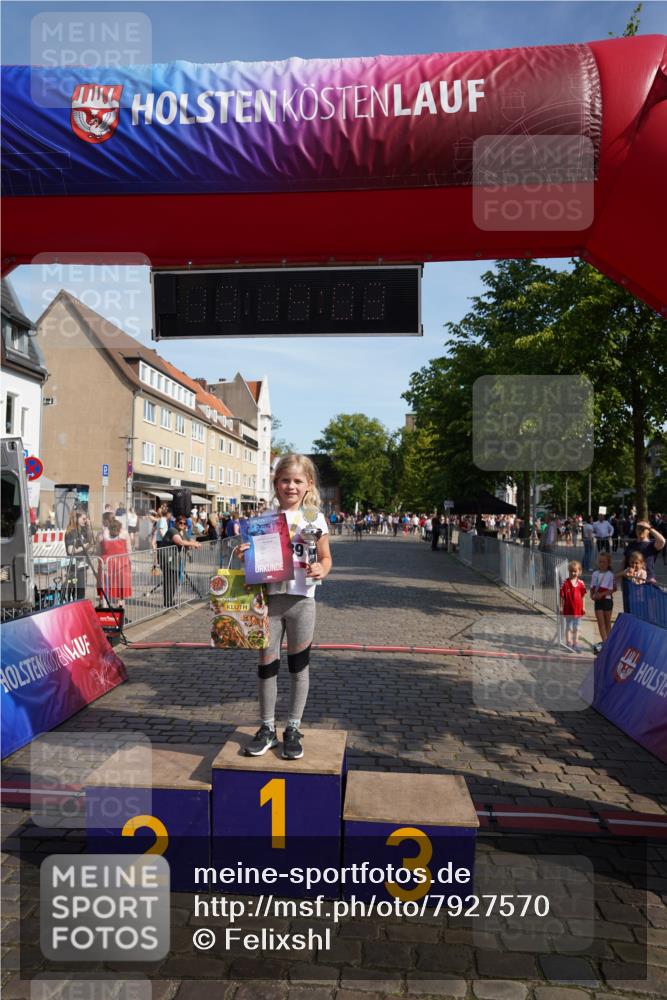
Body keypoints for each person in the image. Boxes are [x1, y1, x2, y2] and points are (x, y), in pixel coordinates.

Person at [238, 454, 332, 761]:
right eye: (284, 480)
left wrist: (323, 569)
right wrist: (245, 553)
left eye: (297, 481)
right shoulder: (265, 518)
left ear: (309, 485)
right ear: (275, 483)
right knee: (267, 667)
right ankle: (267, 728)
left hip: (302, 602)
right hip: (270, 602)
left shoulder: (314, 518)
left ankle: (293, 727)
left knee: (298, 666)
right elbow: (255, 557)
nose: (290, 486)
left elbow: (326, 557)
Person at [156, 514, 201, 608]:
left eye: (184, 523)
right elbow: (179, 542)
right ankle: (167, 602)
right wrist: (193, 544)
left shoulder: (182, 531)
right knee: (169, 580)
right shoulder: (172, 530)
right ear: (176, 523)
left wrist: (195, 543)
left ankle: (170, 601)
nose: (182, 525)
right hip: (167, 559)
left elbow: (189, 539)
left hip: (175, 560)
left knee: (175, 580)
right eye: (180, 523)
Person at [97, 517, 132, 606]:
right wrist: (130, 561)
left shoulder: (101, 535)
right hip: (122, 563)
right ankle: (120, 608)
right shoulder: (125, 533)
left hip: (106, 563)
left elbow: (98, 551)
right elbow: (129, 550)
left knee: (104, 585)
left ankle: (103, 606)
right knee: (121, 587)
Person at [64, 510, 95, 601]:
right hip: (74, 566)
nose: (85, 521)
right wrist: (84, 547)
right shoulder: (71, 532)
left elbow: (90, 540)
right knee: (76, 591)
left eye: (86, 519)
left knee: (81, 590)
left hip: (81, 564)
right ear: (76, 518)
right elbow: (70, 550)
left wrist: (89, 526)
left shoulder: (81, 530)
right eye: (83, 519)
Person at [622, 519, 665, 583]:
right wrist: (620, 577)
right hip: (630, 580)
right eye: (638, 528)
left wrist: (649, 528)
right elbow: (624, 561)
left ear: (648, 531)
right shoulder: (631, 544)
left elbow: (662, 541)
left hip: (647, 581)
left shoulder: (652, 545)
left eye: (643, 528)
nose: (640, 531)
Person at [590, 552, 616, 654]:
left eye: (604, 562)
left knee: (607, 622)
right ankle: (605, 644)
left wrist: (602, 594)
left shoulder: (610, 575)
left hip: (607, 600)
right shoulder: (595, 574)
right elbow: (592, 587)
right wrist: (592, 596)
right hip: (598, 600)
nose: (602, 564)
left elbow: (613, 589)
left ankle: (609, 642)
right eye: (600, 562)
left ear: (608, 563)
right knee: (600, 623)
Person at [559, 560, 586, 653]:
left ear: (579, 572)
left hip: (578, 610)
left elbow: (583, 596)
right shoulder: (565, 583)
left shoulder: (581, 583)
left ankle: (576, 642)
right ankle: (568, 642)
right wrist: (561, 607)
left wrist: (584, 607)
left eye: (575, 571)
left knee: (577, 627)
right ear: (568, 571)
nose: (573, 573)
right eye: (571, 571)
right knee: (569, 627)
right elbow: (562, 597)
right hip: (568, 609)